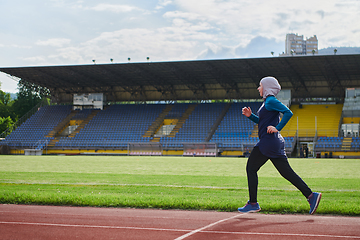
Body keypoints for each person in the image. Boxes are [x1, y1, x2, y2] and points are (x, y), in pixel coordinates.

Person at [238, 76, 321, 214]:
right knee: (287, 173)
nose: (258, 88)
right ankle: (311, 196)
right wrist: (251, 116)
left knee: (251, 168)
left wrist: (277, 127)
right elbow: (262, 121)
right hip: (273, 142)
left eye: (260, 85)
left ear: (267, 87)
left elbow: (288, 112)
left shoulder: (270, 100)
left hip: (268, 142)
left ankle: (253, 203)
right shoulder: (266, 102)